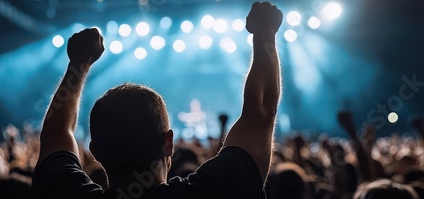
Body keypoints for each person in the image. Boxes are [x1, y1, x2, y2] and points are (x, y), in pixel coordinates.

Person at [30, 1, 283, 198]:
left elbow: (55, 134)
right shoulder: (214, 191)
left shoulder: (64, 193)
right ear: (168, 143)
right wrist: (265, 33)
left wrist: (78, 64)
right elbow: (262, 111)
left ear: (94, 151)